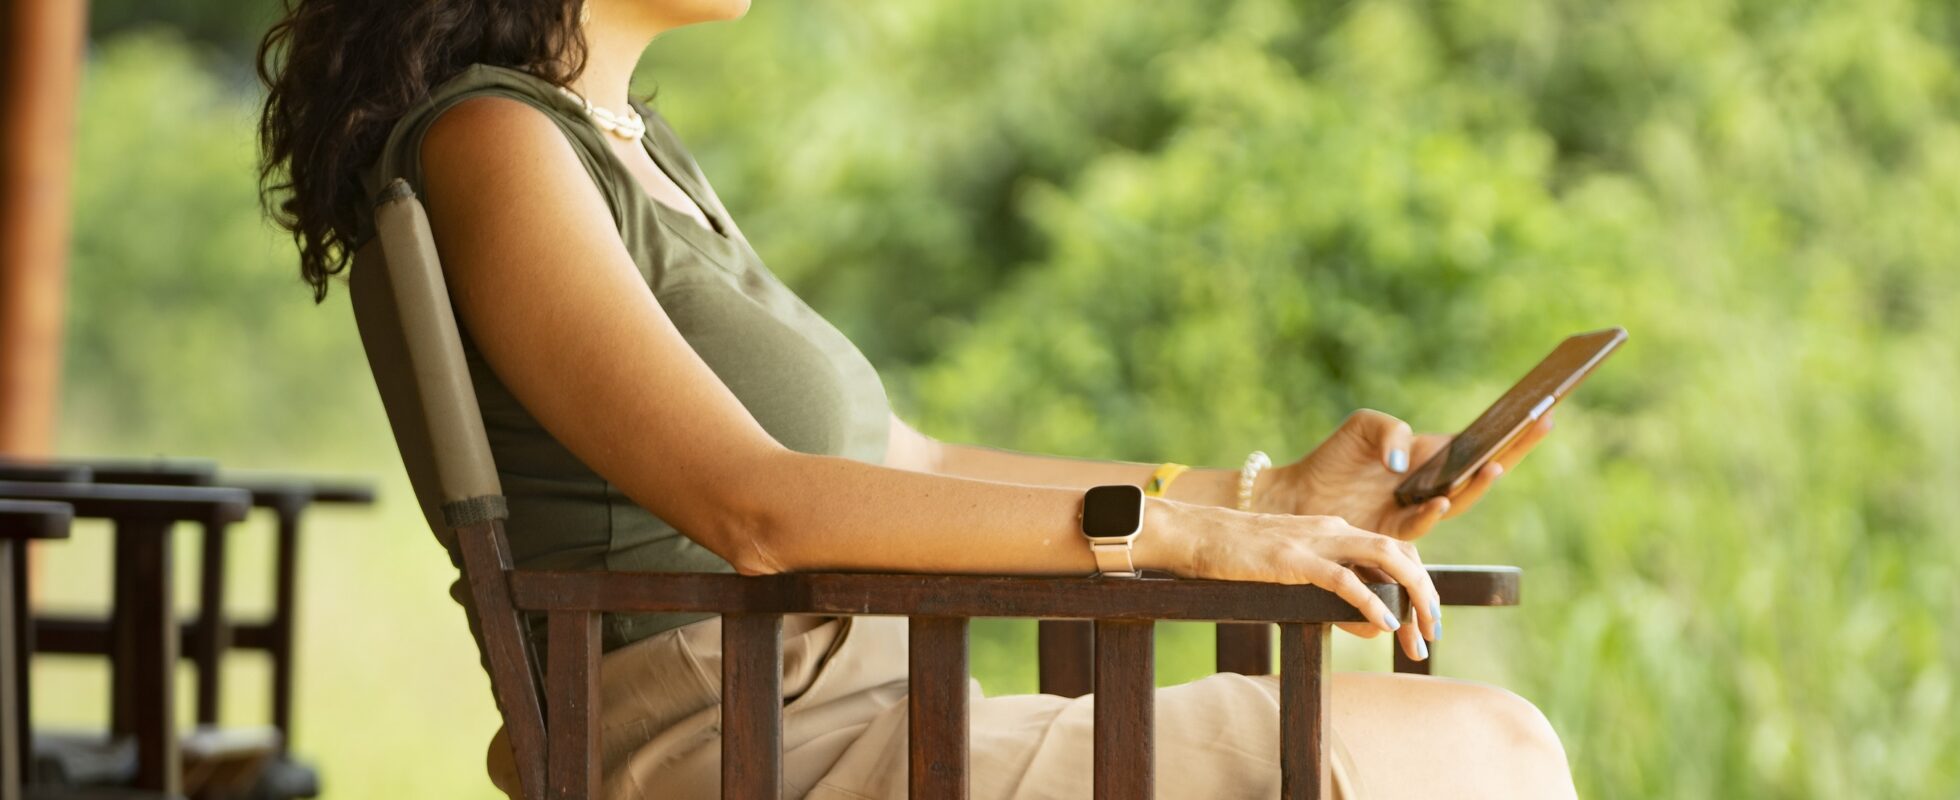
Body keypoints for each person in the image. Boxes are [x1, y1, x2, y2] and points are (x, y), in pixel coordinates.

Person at [257, 1, 1577, 797]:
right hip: (735, 747)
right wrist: (1171, 540)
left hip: (865, 712)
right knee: (1465, 755)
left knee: (1479, 746)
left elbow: (909, 458)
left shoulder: (632, 148)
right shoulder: (493, 145)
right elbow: (754, 509)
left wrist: (1255, 500)